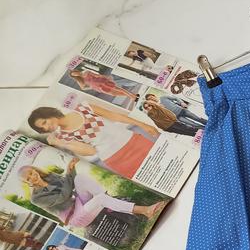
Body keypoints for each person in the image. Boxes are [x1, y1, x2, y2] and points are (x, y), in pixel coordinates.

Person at [17, 158, 166, 228]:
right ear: (26, 182)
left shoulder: (50, 177)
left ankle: (112, 203)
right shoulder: (36, 198)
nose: (32, 177)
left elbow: (72, 182)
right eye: (28, 178)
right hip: (76, 217)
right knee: (99, 199)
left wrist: (72, 168)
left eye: (31, 172)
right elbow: (64, 196)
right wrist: (68, 172)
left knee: (80, 178)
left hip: (80, 203)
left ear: (35, 170)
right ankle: (145, 210)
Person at [27, 103, 160, 179]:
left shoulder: (83, 108)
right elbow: (90, 151)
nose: (46, 128)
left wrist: (142, 124)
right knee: (149, 178)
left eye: (44, 122)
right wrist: (59, 143)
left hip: (133, 141)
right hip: (116, 159)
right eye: (42, 128)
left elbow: (114, 116)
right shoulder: (63, 137)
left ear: (49, 114)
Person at [68, 68, 139, 102]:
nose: (76, 74)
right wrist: (91, 87)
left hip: (102, 82)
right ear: (75, 76)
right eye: (74, 75)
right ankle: (132, 95)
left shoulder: (86, 72)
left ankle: (132, 97)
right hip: (98, 87)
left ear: (76, 71)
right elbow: (83, 88)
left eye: (75, 72)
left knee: (118, 89)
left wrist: (106, 77)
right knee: (113, 94)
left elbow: (97, 75)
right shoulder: (80, 80)